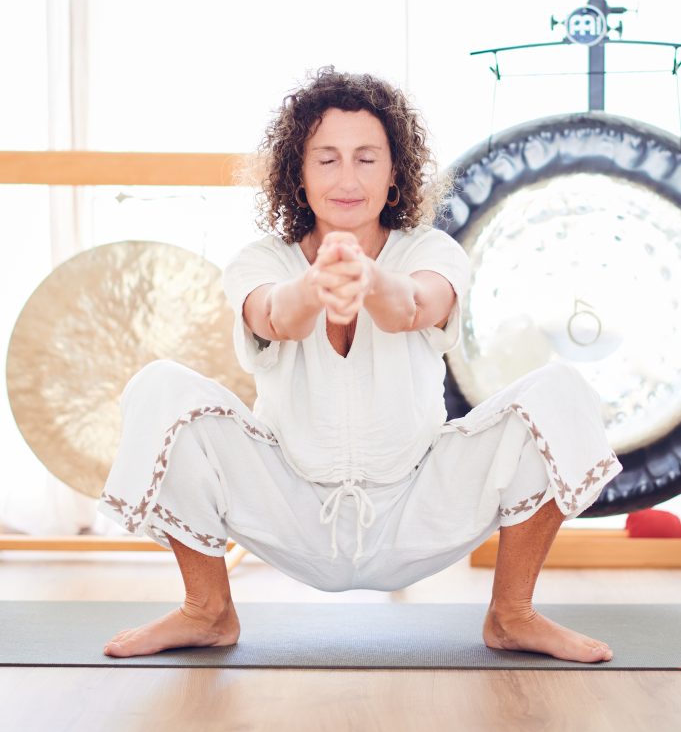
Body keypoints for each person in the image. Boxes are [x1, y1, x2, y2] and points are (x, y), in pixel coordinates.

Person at [97, 67, 622, 662]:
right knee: (160, 386)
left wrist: (367, 278)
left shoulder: (432, 251)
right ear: (297, 172)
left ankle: (512, 614)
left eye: (366, 158)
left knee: (559, 389)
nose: (347, 178)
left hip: (419, 506)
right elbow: (274, 316)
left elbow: (415, 306)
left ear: (395, 171)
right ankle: (207, 609)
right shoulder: (257, 260)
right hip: (289, 503)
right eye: (326, 159)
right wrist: (316, 284)